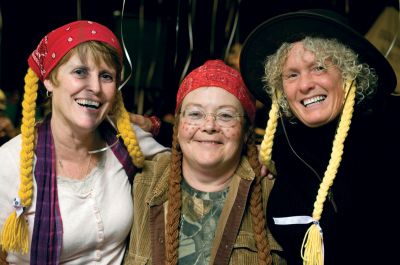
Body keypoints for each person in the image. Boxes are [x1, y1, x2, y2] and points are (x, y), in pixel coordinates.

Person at [240, 9, 399, 265]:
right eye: (292, 74)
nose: (304, 85)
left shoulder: (389, 130)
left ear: (348, 71)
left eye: (319, 68)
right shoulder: (281, 148)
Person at [0, 20, 167, 264]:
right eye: (80, 72)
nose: (96, 88)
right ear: (49, 79)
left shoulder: (124, 141)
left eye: (106, 76)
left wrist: (152, 124)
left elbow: (186, 158)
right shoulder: (8, 163)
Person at [124, 59, 285, 265]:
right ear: (178, 124)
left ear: (246, 131)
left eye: (226, 115)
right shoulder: (139, 182)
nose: (209, 125)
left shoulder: (275, 191)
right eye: (195, 114)